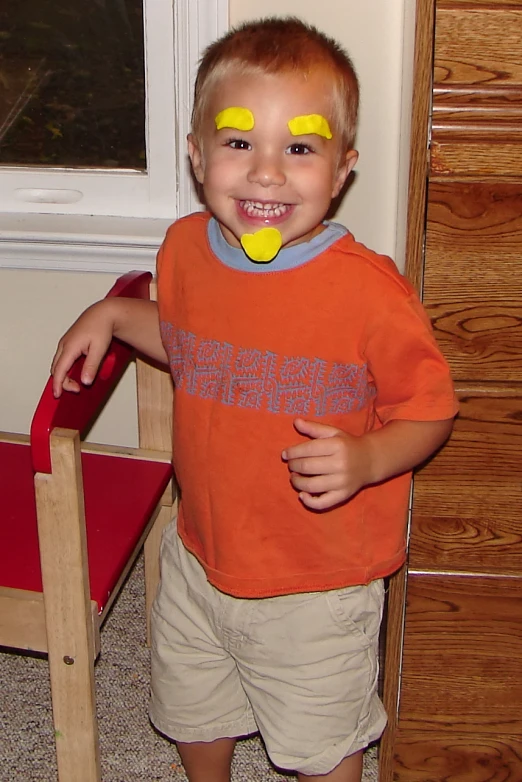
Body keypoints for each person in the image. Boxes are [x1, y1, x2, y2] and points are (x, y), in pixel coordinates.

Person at [51, 16, 458, 782]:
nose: (267, 173)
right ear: (199, 155)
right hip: (201, 551)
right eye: (240, 143)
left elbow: (431, 409)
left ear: (341, 170)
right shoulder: (182, 251)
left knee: (321, 740)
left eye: (299, 148)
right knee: (192, 709)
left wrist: (369, 456)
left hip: (318, 581)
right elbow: (195, 348)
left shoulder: (368, 295)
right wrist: (111, 315)